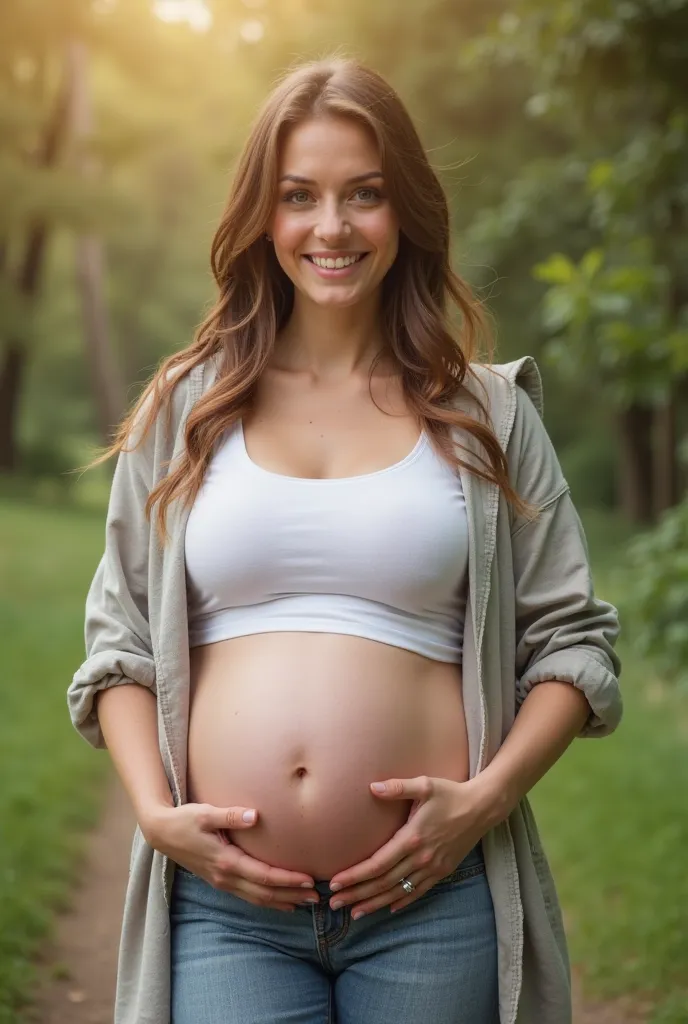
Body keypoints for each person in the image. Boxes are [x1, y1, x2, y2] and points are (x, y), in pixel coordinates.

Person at [68, 56, 622, 1024]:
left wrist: (481, 803)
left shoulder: (486, 415)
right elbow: (118, 643)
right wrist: (158, 817)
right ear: (263, 216)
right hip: (226, 910)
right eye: (300, 196)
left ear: (403, 209)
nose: (331, 227)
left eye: (363, 194)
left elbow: (573, 643)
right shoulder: (186, 409)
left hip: (430, 902)